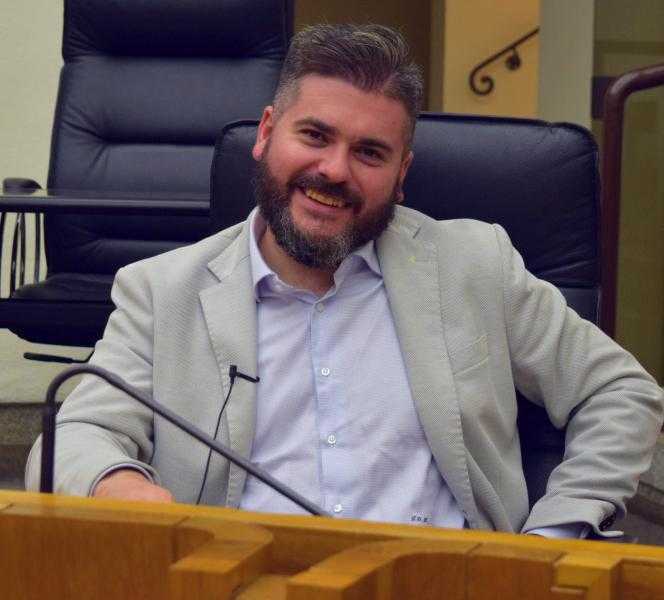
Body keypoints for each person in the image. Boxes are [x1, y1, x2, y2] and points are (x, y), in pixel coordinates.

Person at [26, 24, 663, 538]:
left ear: (402, 173)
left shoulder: (476, 264)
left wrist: (553, 537)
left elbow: (620, 392)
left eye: (369, 152)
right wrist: (119, 486)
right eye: (315, 135)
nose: (334, 170)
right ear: (267, 134)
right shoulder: (162, 291)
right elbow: (75, 436)